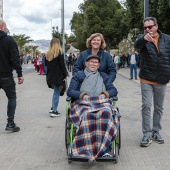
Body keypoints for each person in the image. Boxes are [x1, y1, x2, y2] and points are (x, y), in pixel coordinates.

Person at [67, 54, 119, 161]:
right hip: (84, 104)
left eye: (95, 62)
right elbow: (70, 91)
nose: (93, 64)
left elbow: (113, 90)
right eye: (91, 62)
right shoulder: (78, 75)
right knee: (87, 115)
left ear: (99, 65)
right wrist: (82, 95)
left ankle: (105, 150)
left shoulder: (103, 76)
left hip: (101, 103)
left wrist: (105, 94)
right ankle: (85, 149)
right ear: (86, 63)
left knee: (107, 113)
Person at [134, 17, 170, 147]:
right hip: (146, 79)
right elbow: (137, 45)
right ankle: (147, 133)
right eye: (145, 28)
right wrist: (144, 39)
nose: (148, 30)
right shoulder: (142, 39)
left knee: (159, 107)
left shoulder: (167, 38)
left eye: (150, 27)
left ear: (156, 26)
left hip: (162, 78)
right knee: (146, 106)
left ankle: (156, 131)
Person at [0, 20, 24, 132]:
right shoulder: (9, 40)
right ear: (2, 26)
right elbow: (15, 58)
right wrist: (19, 74)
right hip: (6, 76)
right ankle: (10, 123)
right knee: (12, 97)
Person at [46, 38, 67, 117]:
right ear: (58, 44)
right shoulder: (59, 53)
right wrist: (64, 75)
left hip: (50, 77)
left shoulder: (48, 54)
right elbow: (62, 66)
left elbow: (46, 66)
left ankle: (52, 108)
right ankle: (54, 111)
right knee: (56, 93)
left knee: (55, 92)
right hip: (57, 77)